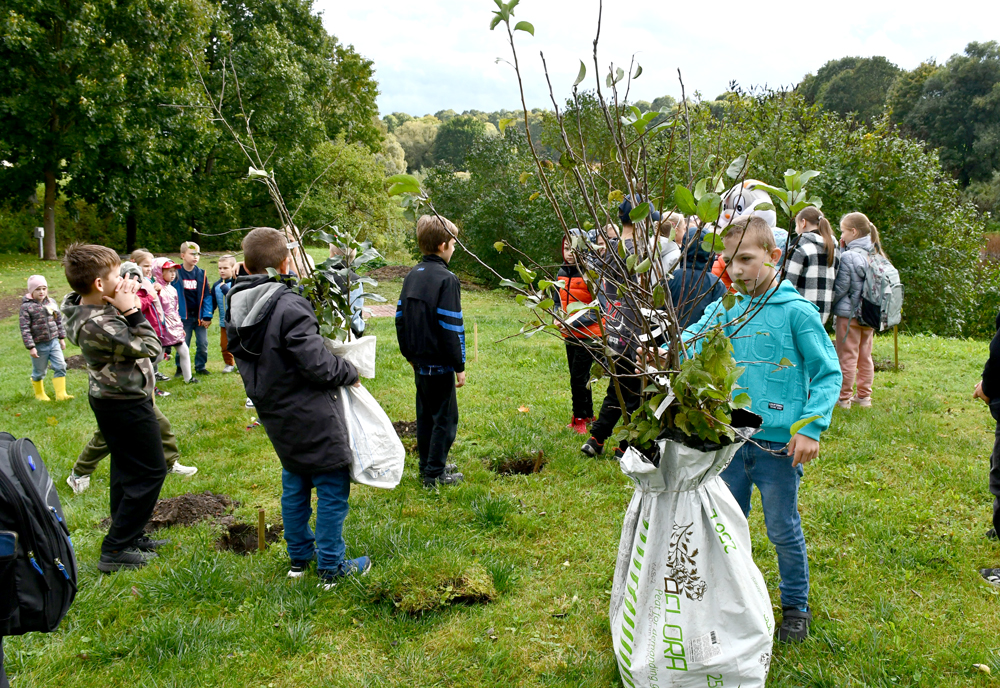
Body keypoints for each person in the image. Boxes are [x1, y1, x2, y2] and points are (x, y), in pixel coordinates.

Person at [677, 216, 841, 643]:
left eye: (746, 259)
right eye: (728, 261)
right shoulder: (725, 307)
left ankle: (795, 606)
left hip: (778, 448)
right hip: (729, 440)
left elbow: (828, 373)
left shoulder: (797, 312)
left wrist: (810, 427)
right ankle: (734, 597)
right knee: (729, 524)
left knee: (781, 527)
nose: (735, 270)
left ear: (774, 257)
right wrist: (656, 349)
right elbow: (692, 338)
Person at [226, 227, 370, 583]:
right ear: (285, 263)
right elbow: (316, 364)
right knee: (332, 484)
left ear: (245, 265)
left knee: (295, 480)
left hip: (274, 410)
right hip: (310, 409)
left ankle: (299, 559)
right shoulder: (289, 304)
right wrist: (349, 370)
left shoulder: (235, 301)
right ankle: (331, 567)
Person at [61, 243, 169, 572]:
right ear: (98, 284)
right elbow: (152, 347)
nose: (122, 279)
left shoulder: (83, 305)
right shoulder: (100, 324)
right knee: (152, 470)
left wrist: (121, 300)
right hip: (124, 403)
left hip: (112, 399)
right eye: (115, 275)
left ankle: (129, 534)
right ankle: (115, 549)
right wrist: (132, 309)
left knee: (125, 469)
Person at [395, 215, 467, 487]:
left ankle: (428, 465)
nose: (454, 247)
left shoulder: (412, 275)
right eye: (453, 243)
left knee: (425, 416)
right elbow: (451, 326)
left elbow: (399, 319)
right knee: (445, 420)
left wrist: (409, 355)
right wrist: (458, 365)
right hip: (439, 363)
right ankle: (434, 475)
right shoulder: (447, 280)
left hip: (419, 362)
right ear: (442, 245)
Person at [581, 197, 648, 458]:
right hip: (634, 332)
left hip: (613, 330)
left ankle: (596, 439)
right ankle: (625, 446)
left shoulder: (610, 249)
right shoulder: (639, 253)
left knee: (616, 388)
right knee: (635, 393)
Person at [832, 212, 881, 409]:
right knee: (865, 356)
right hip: (870, 315)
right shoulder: (876, 253)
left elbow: (841, 288)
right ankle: (864, 397)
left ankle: (843, 398)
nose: (841, 236)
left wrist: (830, 303)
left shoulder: (849, 256)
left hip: (849, 315)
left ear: (853, 231)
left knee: (847, 356)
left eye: (843, 231)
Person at [557, 230, 602, 434]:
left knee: (578, 377)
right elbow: (559, 301)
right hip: (569, 334)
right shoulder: (561, 272)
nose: (569, 253)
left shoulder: (591, 274)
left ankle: (580, 418)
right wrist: (557, 317)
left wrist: (572, 322)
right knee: (580, 377)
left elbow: (598, 308)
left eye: (574, 249)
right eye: (566, 249)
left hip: (589, 335)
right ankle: (590, 413)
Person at [19, 275, 72, 402]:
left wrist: (61, 338)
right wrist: (31, 347)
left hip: (54, 342)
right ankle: (39, 394)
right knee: (39, 371)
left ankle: (61, 394)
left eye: (44, 288)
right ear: (31, 291)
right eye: (38, 289)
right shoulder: (26, 307)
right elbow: (24, 328)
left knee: (61, 365)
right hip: (38, 345)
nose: (42, 292)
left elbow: (58, 321)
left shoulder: (51, 303)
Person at [783, 206, 840, 325]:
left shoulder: (800, 245)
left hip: (799, 312)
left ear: (803, 223)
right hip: (823, 311)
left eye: (796, 225)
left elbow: (788, 283)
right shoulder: (833, 247)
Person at [668, 226, 726, 329]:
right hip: (700, 340)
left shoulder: (670, 278)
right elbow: (721, 320)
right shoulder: (716, 284)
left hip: (668, 340)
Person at [129, 251, 169, 395]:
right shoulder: (136, 283)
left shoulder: (148, 280)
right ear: (135, 264)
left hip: (154, 325)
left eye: (150, 266)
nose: (149, 269)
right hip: (144, 326)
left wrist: (155, 292)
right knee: (149, 358)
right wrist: (151, 296)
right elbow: (138, 304)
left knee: (156, 355)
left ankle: (149, 383)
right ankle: (150, 387)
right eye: (145, 266)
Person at [154, 258, 197, 384]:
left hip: (174, 326)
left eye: (174, 271)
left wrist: (180, 327)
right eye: (169, 271)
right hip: (162, 328)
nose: (173, 274)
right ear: (159, 272)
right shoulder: (155, 289)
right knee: (159, 356)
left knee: (184, 351)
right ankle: (145, 374)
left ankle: (188, 378)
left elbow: (175, 310)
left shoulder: (172, 289)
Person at [172, 241, 212, 376]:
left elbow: (207, 296)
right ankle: (180, 368)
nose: (195, 257)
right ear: (183, 255)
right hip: (184, 317)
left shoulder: (202, 274)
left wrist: (207, 315)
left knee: (203, 344)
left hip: (199, 317)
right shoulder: (176, 274)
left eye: (198, 254)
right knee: (183, 344)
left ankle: (200, 367)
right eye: (192, 254)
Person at [207, 254, 237, 373]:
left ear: (233, 268)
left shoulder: (237, 282)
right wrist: (207, 316)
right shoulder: (216, 285)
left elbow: (237, 298)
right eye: (220, 268)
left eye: (225, 268)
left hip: (238, 321)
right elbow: (212, 303)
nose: (222, 271)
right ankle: (229, 364)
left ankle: (242, 365)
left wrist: (226, 290)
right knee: (224, 345)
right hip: (224, 322)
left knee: (240, 344)